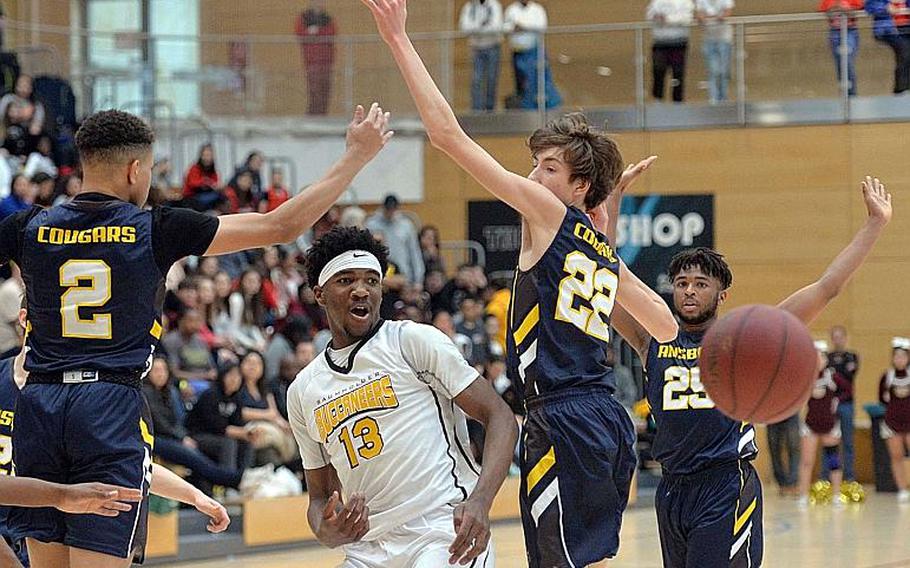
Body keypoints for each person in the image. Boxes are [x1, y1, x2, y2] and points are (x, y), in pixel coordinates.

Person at [0, 104, 391, 567]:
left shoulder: (27, 227)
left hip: (38, 404)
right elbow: (280, 224)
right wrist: (356, 157)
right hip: (105, 406)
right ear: (135, 169)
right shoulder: (155, 228)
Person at [360, 2, 678, 564]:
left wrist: (398, 40)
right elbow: (663, 324)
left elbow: (448, 137)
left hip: (560, 420)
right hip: (607, 418)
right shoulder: (599, 250)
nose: (532, 178)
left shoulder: (548, 214)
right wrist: (609, 224)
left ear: (579, 188)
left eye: (548, 169)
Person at [607, 176, 892, 566]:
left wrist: (874, 224)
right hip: (672, 488)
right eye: (681, 283)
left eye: (700, 284)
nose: (689, 290)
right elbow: (605, 277)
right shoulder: (651, 340)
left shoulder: (745, 342)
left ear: (722, 295)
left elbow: (827, 287)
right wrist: (613, 204)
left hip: (725, 483)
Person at [287, 226, 517, 567]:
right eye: (346, 281)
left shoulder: (413, 342)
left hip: (443, 530)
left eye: (370, 280)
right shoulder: (303, 390)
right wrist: (325, 529)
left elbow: (501, 417)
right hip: (368, 548)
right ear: (320, 294)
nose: (361, 290)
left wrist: (481, 501)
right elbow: (319, 497)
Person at [0, 305, 230, 567]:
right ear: (25, 318)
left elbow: (126, 464)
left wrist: (193, 495)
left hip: (55, 542)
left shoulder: (100, 395)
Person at [797, 341, 849, 508]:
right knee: (807, 461)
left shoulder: (833, 377)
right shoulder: (806, 378)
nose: (819, 360)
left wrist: (836, 400)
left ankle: (836, 495)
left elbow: (848, 390)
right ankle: (803, 495)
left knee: (833, 461)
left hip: (830, 425)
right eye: (815, 357)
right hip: (810, 425)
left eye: (821, 356)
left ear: (826, 359)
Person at [503, 0, 561, 109]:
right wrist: (513, 28)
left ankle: (537, 105)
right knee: (520, 81)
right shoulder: (511, 10)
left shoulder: (537, 9)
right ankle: (524, 105)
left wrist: (524, 27)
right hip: (517, 51)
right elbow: (504, 27)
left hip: (533, 51)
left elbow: (542, 26)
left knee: (535, 79)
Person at [365, 194, 424, 285]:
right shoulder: (371, 224)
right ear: (383, 208)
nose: (390, 212)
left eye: (393, 209)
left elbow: (414, 253)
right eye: (388, 209)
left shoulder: (406, 225)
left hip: (403, 274)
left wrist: (418, 280)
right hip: (379, 272)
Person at [825, 324, 859, 482]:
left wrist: (835, 373)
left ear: (845, 338)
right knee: (829, 442)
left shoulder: (852, 356)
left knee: (848, 441)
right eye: (835, 337)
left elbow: (848, 378)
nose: (838, 340)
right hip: (828, 405)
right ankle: (826, 477)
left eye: (840, 337)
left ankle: (849, 477)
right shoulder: (827, 357)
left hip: (846, 404)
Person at [879, 336, 910, 502]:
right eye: (896, 356)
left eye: (903, 356)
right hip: (892, 423)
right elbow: (882, 399)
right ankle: (902, 489)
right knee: (896, 456)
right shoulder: (887, 377)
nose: (900, 359)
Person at [460, 0, 504, 112]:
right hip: (476, 48)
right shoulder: (470, 7)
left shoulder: (494, 5)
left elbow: (496, 27)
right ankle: (476, 111)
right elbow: (464, 27)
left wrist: (475, 28)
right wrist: (481, 25)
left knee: (491, 79)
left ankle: (490, 110)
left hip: (492, 47)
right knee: (476, 80)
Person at [647, 0, 695, 103]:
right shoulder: (656, 2)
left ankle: (677, 101)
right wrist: (656, 18)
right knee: (658, 71)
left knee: (678, 72)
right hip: (660, 42)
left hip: (678, 42)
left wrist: (668, 19)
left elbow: (686, 19)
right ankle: (658, 99)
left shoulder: (685, 2)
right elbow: (650, 15)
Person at [296, 0, 337, 115]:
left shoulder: (327, 18)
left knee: (325, 91)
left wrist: (317, 32)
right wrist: (310, 33)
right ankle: (312, 116)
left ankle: (322, 115)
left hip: (326, 61)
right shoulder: (304, 17)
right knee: (314, 91)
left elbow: (332, 33)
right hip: (311, 61)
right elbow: (299, 33)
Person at [819, 0, 865, 97]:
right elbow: (826, 11)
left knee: (847, 60)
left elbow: (860, 9)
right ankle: (845, 94)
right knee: (840, 63)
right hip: (835, 32)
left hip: (850, 31)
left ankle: (851, 94)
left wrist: (846, 10)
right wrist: (836, 8)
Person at [865, 0, 910, 94]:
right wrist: (885, 7)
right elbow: (869, 6)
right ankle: (901, 89)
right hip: (888, 30)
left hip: (906, 28)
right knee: (904, 51)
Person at [696, 0, 734, 104]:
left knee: (723, 70)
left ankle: (723, 96)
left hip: (724, 39)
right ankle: (713, 98)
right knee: (713, 70)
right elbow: (700, 15)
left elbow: (728, 12)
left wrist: (716, 17)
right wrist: (705, 18)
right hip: (709, 39)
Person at [766, 412, 801, 496]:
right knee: (774, 449)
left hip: (791, 412)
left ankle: (793, 483)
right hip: (771, 413)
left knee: (794, 447)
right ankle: (782, 483)